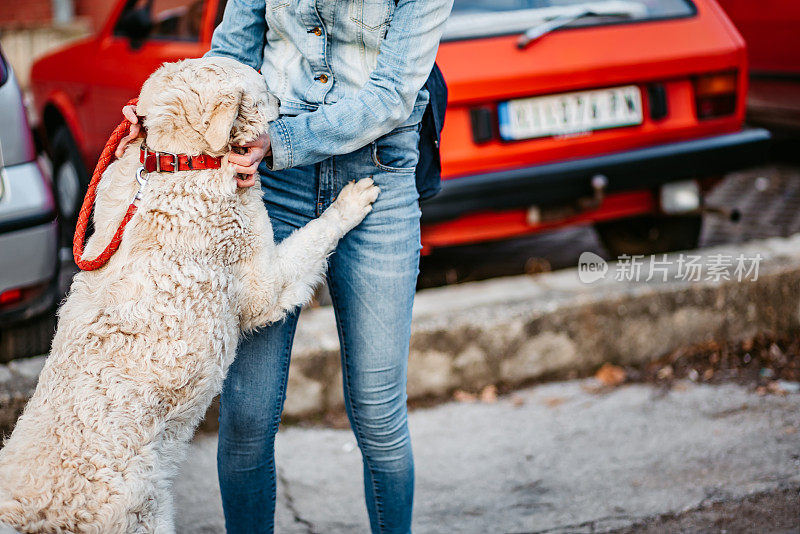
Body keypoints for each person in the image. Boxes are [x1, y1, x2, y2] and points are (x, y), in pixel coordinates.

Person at [119, 0, 453, 532]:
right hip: (270, 179)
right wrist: (166, 112)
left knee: (378, 414)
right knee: (246, 416)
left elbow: (392, 95)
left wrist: (281, 143)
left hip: (377, 172)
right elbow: (231, 52)